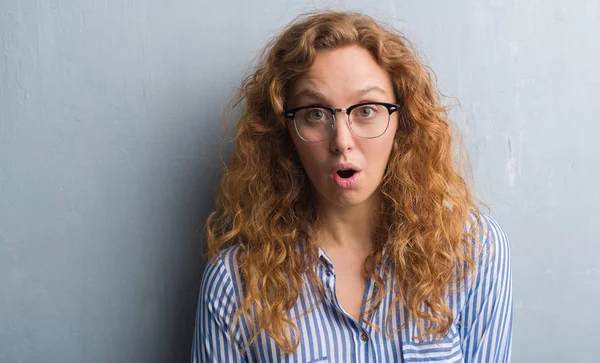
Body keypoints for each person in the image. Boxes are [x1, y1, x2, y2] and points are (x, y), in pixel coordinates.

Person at [192, 10, 512, 363]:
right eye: (315, 113)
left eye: (366, 110)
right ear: (285, 132)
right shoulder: (235, 285)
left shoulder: (472, 251)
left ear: (401, 122)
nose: (342, 141)